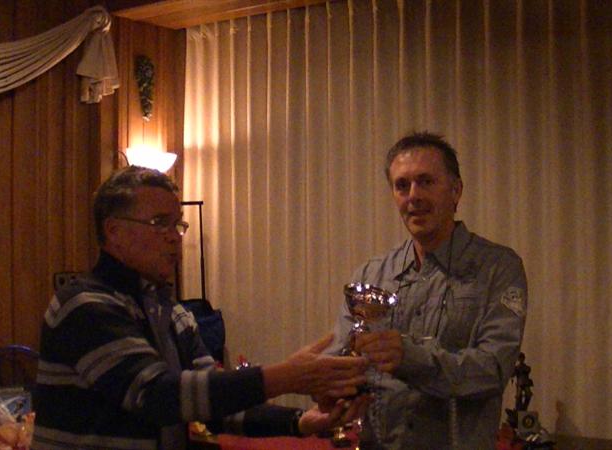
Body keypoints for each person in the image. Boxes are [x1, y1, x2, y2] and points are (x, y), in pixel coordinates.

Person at [32, 166, 369, 449]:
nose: (175, 237)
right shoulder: (85, 304)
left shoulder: (174, 314)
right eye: (159, 223)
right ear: (114, 231)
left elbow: (212, 405)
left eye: (177, 224)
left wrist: (301, 421)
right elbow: (157, 396)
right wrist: (288, 376)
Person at [327, 132, 528, 449]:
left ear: (456, 190)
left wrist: (410, 357)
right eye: (402, 185)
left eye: (426, 182)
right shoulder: (370, 275)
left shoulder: (498, 268)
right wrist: (328, 382)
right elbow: (342, 356)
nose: (413, 196)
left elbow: (493, 369)